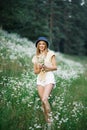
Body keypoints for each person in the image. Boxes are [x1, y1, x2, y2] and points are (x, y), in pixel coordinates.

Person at [32, 37, 57, 123]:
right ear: (37, 46)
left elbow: (55, 67)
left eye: (43, 44)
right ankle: (47, 122)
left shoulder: (51, 54)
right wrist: (39, 68)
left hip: (49, 77)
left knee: (44, 99)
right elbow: (35, 71)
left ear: (46, 45)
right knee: (43, 102)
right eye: (40, 44)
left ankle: (51, 122)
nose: (41, 45)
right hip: (40, 79)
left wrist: (46, 67)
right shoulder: (35, 57)